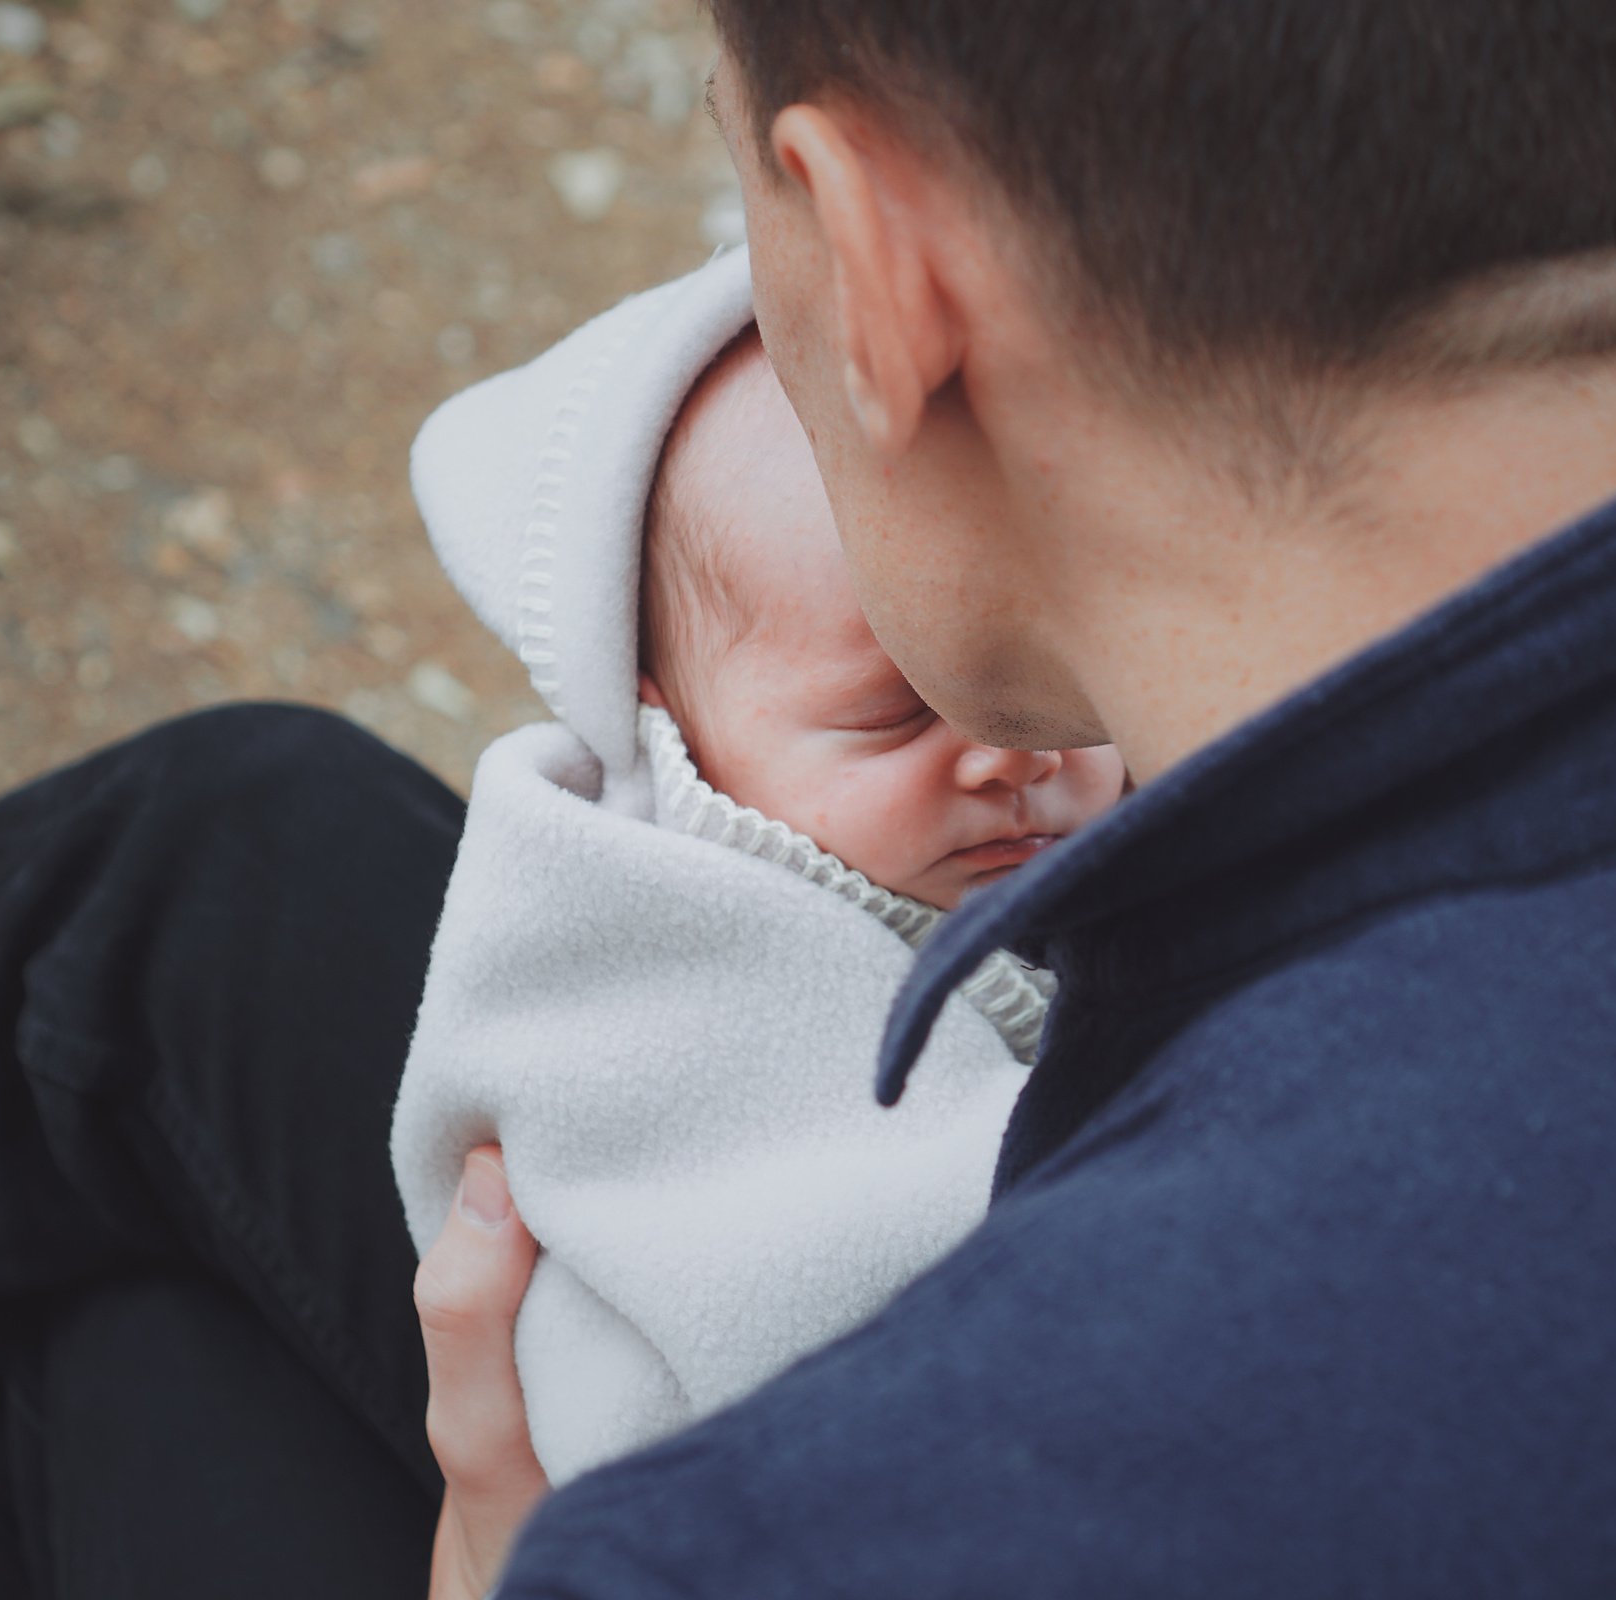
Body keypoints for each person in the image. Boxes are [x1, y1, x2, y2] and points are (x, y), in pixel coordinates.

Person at [0, 0, 1616, 1596]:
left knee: (119, 1340)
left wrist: (506, 1544)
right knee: (220, 873)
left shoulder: (840, 1533)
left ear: (877, 267)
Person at [391, 260, 1121, 1486]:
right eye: (900, 712)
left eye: (1058, 667)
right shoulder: (641, 942)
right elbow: (819, 1262)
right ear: (665, 711)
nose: (1013, 750)